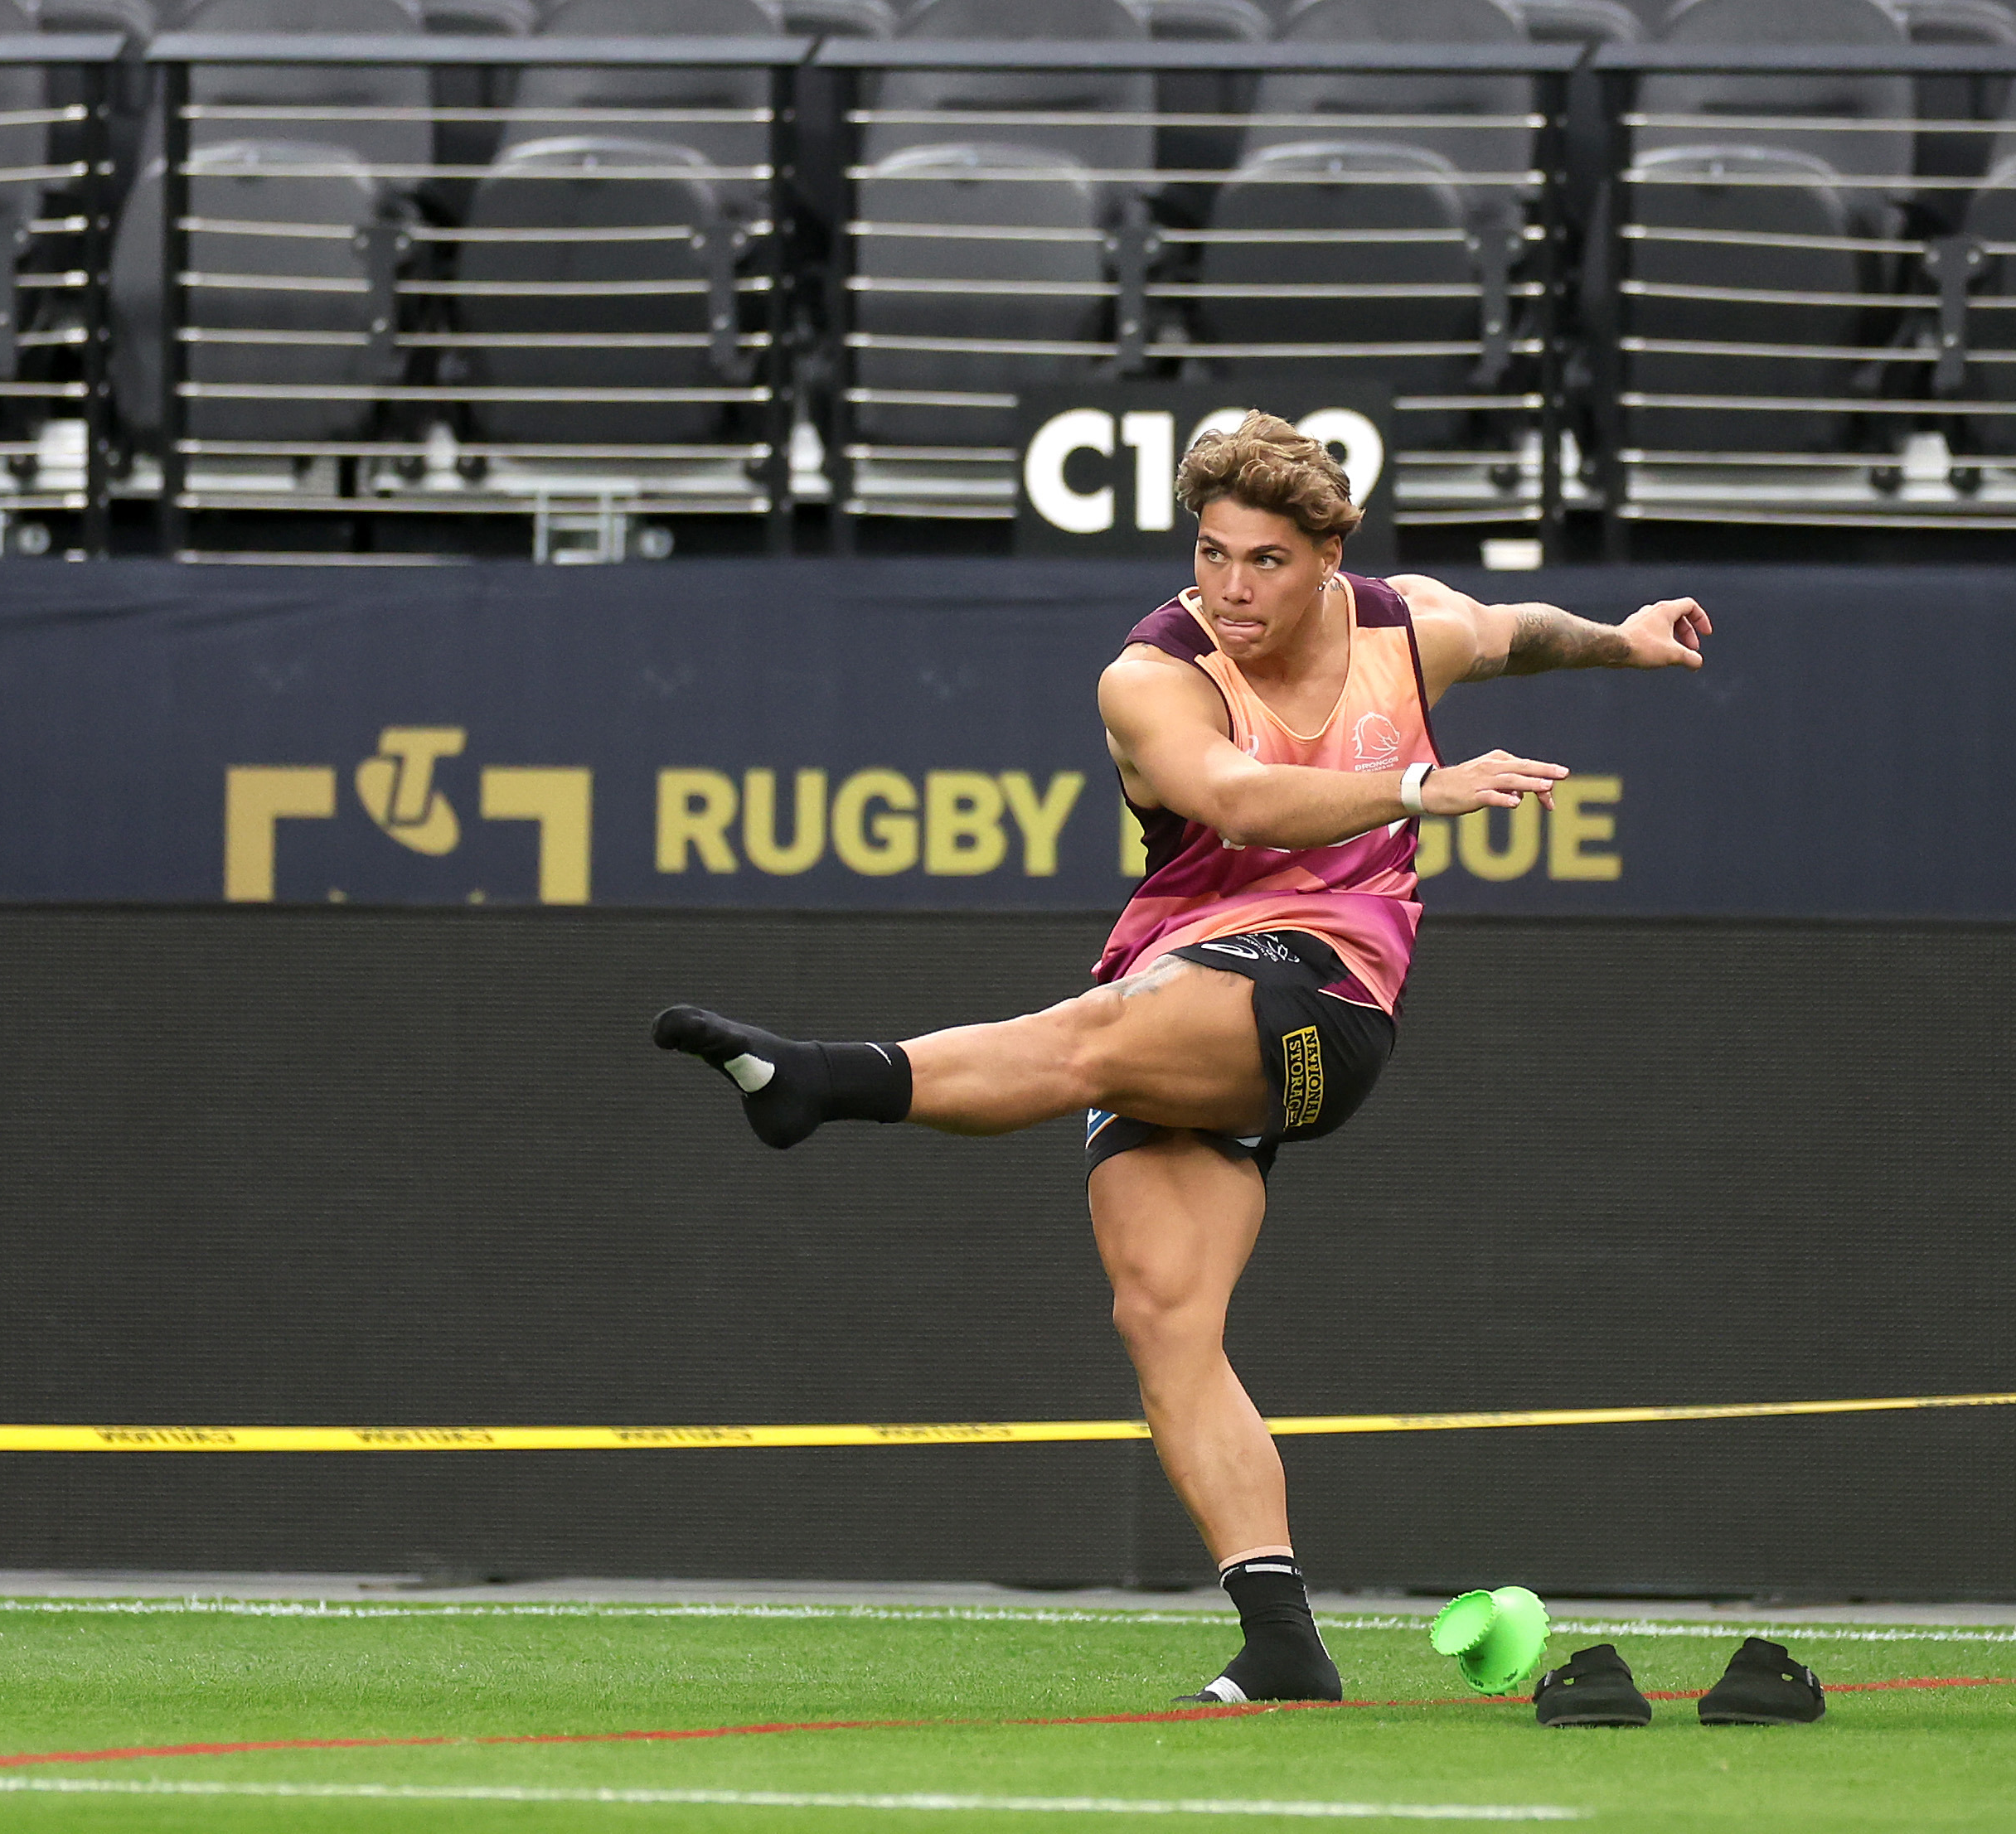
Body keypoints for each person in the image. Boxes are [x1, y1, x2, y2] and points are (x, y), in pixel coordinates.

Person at [654, 411, 1713, 1704]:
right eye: (1212, 554)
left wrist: (1626, 641)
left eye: (1264, 561)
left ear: (1332, 553)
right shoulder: (1150, 674)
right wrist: (1413, 791)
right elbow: (1236, 797)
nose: (1230, 587)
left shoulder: (1403, 629)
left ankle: (821, 1080)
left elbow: (1516, 632)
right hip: (1180, 985)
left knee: (1095, 1040)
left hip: (1324, 1002)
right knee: (1163, 1318)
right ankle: (1283, 1639)